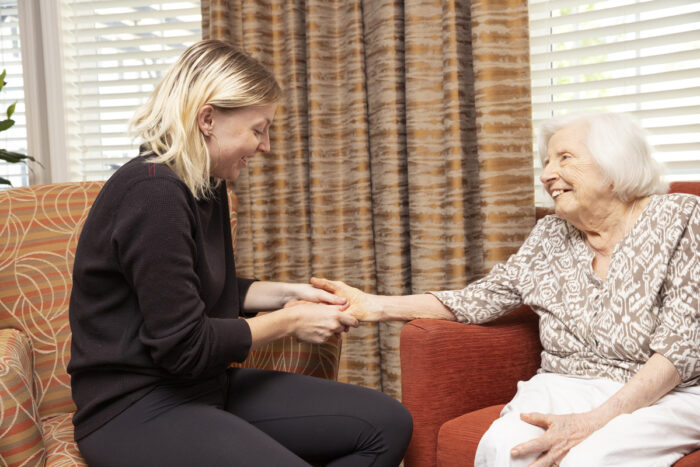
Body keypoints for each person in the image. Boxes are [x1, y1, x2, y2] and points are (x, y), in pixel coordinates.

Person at [67, 39, 412, 467]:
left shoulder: (204, 185)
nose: (265, 146)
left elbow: (204, 289)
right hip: (133, 409)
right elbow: (183, 345)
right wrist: (290, 321)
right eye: (258, 129)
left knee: (388, 423)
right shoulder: (152, 193)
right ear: (208, 119)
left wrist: (292, 294)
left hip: (203, 387)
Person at [311, 112, 700, 466]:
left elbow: (679, 349)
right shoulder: (550, 233)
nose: (547, 174)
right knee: (504, 447)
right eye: (546, 162)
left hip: (669, 393)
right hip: (567, 382)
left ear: (615, 166)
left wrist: (593, 422)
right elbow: (480, 299)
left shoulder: (681, 218)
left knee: (593, 456)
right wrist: (372, 306)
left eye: (564, 158)